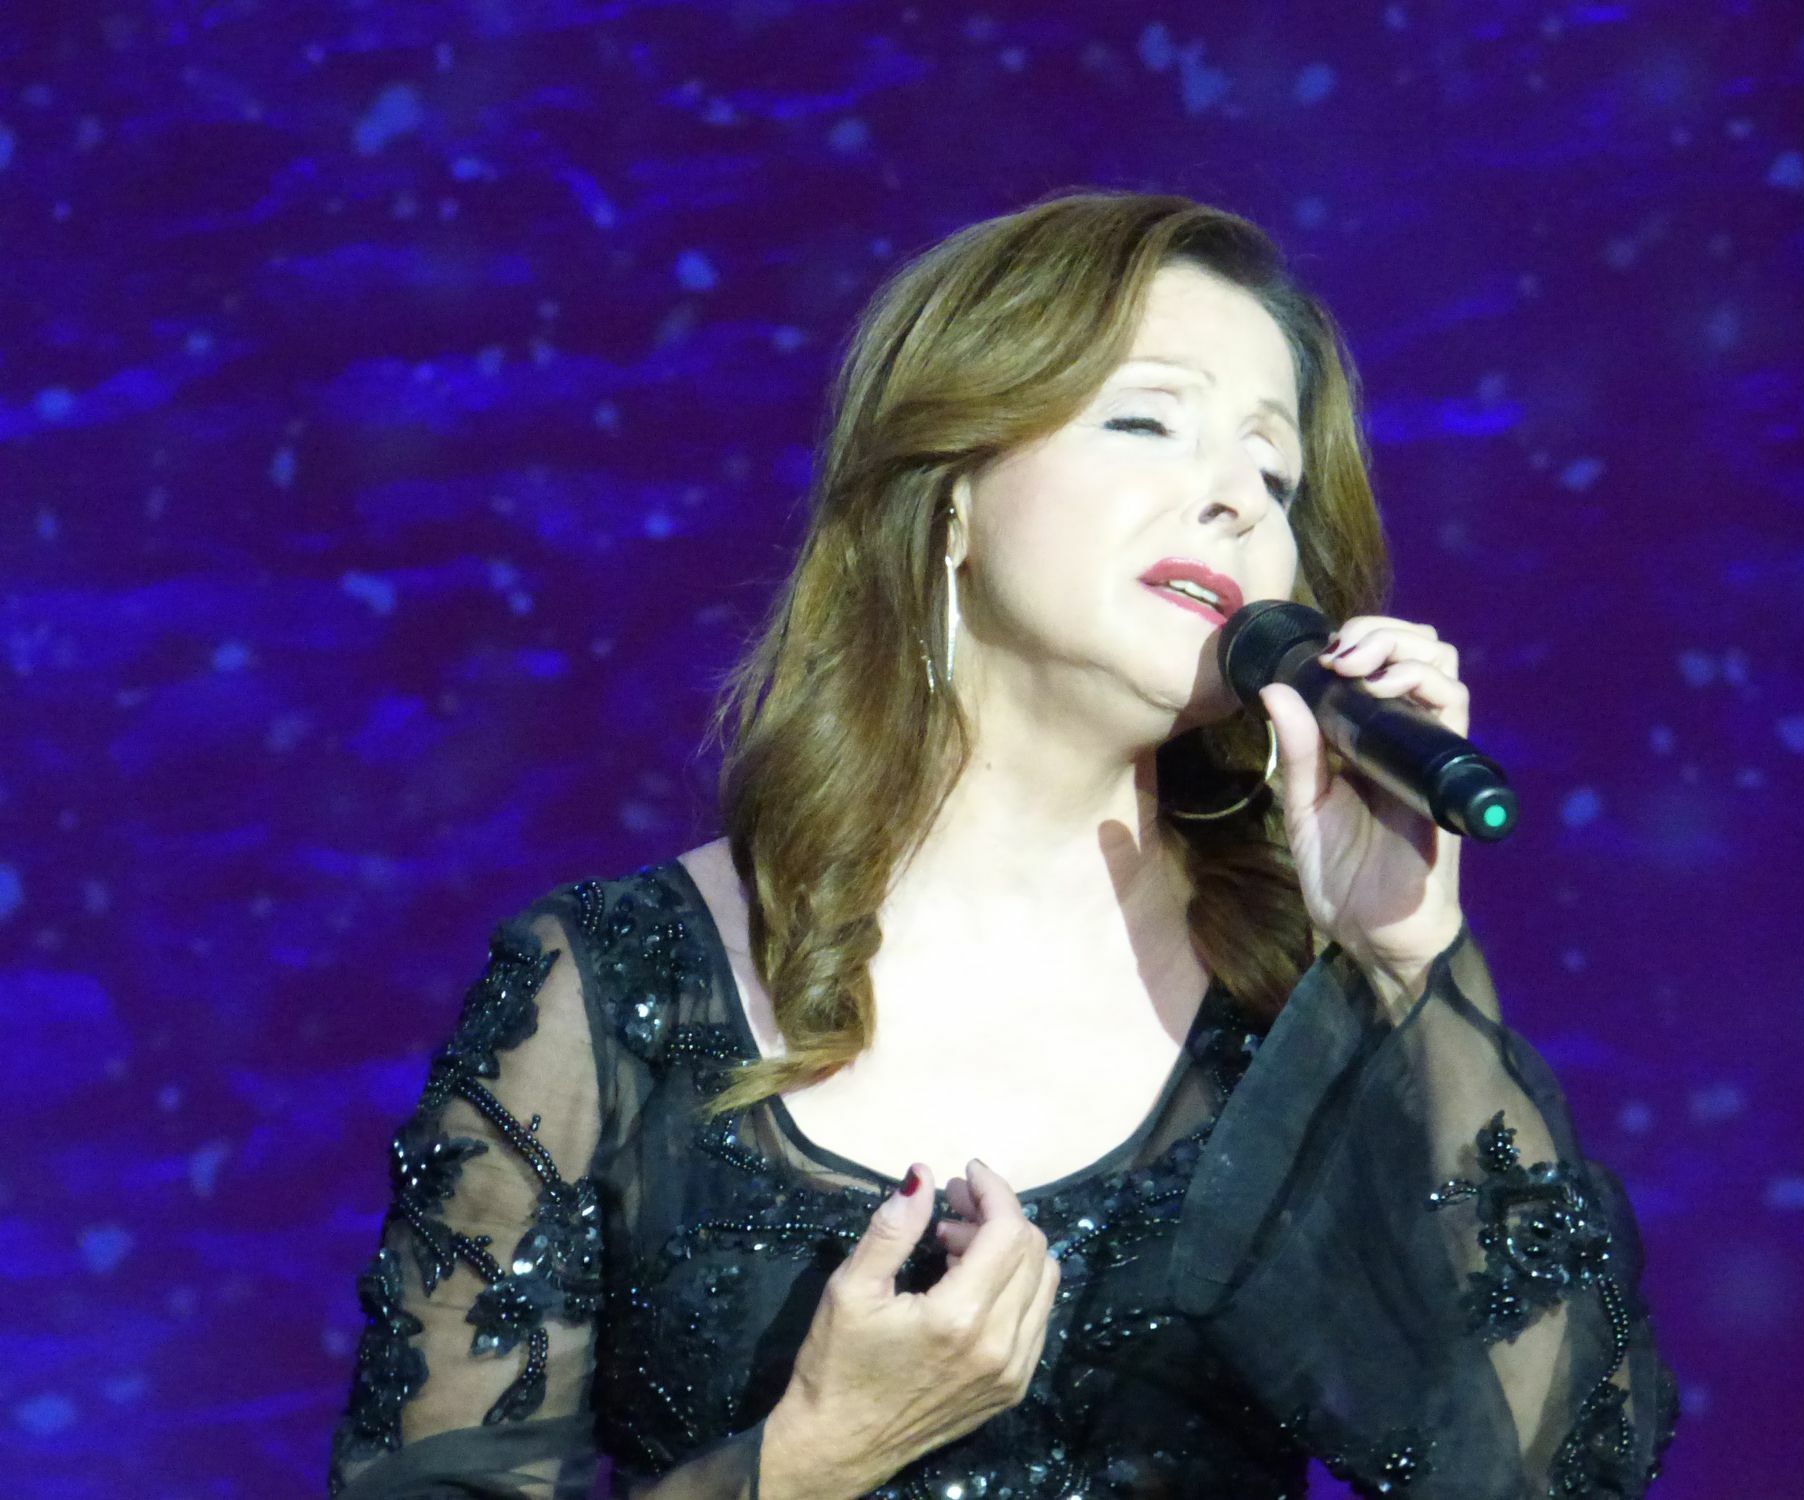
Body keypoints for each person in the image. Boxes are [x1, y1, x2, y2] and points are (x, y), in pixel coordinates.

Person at [326, 190, 1678, 1499]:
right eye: (1149, 421)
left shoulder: (1295, 1005)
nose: (1234, 501)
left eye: (1274, 474)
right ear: (953, 494)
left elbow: (1562, 1470)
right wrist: (808, 1463)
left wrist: (1402, 961)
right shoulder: (614, 985)